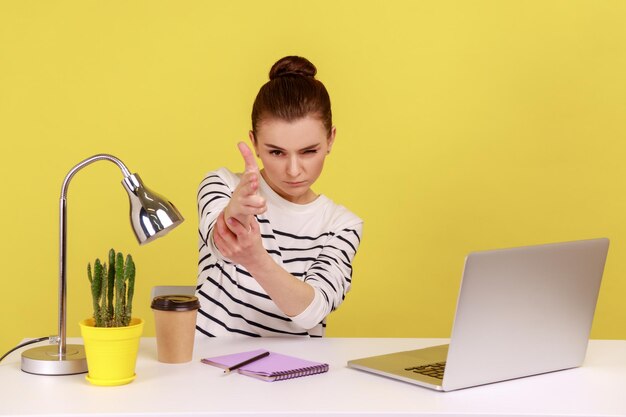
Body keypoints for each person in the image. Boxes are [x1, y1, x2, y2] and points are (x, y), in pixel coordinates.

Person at [196, 56, 363, 337]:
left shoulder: (343, 225)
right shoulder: (222, 184)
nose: (294, 170)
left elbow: (312, 312)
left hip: (293, 376)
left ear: (330, 140)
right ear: (255, 144)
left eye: (309, 151)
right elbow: (218, 241)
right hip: (207, 370)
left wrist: (255, 259)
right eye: (277, 152)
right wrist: (234, 216)